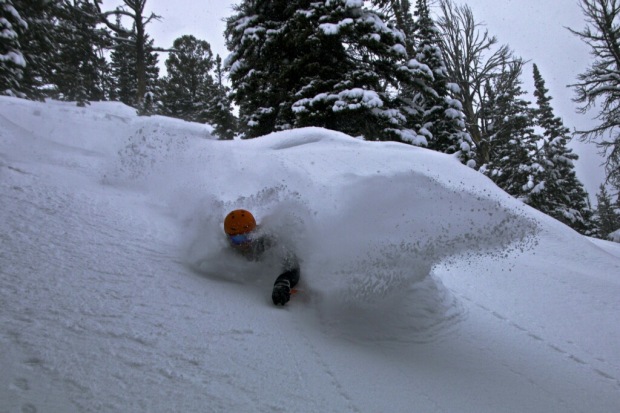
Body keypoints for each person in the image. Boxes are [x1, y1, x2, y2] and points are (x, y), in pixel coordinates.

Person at [224, 209, 300, 306]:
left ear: (254, 232)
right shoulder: (225, 246)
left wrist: (282, 282)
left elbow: (292, 264)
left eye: (247, 236)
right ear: (228, 237)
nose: (242, 243)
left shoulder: (268, 240)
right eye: (237, 239)